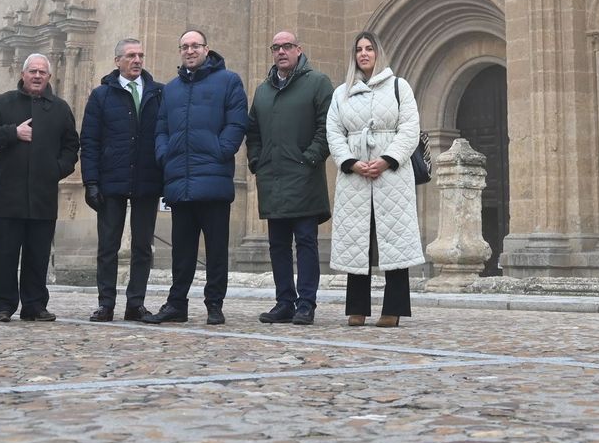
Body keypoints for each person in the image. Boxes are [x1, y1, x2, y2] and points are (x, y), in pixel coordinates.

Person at [143, 28, 248, 326]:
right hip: (180, 179)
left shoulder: (228, 81)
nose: (190, 51)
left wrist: (221, 150)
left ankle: (214, 304)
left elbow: (237, 121)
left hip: (213, 178)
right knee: (182, 251)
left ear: (206, 49)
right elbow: (161, 127)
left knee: (216, 250)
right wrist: (165, 154)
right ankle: (177, 304)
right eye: (184, 47)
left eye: (195, 46)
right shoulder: (172, 89)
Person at [327, 31, 424, 328]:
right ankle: (357, 308)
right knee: (357, 238)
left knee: (394, 237)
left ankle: (394, 308)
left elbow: (410, 128)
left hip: (392, 173)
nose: (364, 54)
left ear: (378, 53)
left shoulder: (399, 87)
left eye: (369, 48)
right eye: (359, 49)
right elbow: (334, 132)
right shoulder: (341, 93)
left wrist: (387, 159)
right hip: (355, 175)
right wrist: (351, 162)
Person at [0, 53, 78, 322]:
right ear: (23, 74)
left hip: (43, 194)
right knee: (4, 253)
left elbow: (71, 146)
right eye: (32, 71)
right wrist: (13, 132)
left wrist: (57, 169)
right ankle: (2, 304)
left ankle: (34, 304)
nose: (37, 76)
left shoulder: (60, 108)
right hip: (8, 194)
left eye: (42, 72)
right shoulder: (3, 102)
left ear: (49, 77)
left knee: (38, 254)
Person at [247, 31, 331, 326]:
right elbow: (253, 132)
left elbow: (327, 126)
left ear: (299, 50)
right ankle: (284, 301)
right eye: (276, 47)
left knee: (306, 242)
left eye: (287, 46)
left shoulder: (317, 83)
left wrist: (309, 159)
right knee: (278, 245)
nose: (281, 51)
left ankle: (306, 304)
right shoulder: (262, 91)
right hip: (272, 179)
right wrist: (256, 161)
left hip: (305, 179)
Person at [80, 38, 164, 322]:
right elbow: (89, 141)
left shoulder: (158, 93)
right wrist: (91, 182)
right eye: (130, 56)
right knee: (108, 246)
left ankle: (135, 303)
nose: (137, 60)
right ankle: (106, 303)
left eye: (140, 55)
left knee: (143, 246)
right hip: (111, 180)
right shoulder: (101, 95)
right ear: (117, 61)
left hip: (147, 179)